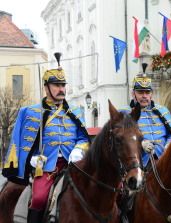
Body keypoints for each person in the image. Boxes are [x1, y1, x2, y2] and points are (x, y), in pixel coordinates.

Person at [2, 53, 90, 222]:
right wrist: (32, 160)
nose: (61, 88)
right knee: (39, 198)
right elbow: (22, 143)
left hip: (75, 165)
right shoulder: (30, 112)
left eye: (63, 85)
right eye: (57, 85)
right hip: (47, 167)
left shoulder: (76, 112)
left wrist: (79, 150)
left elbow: (83, 138)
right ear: (46, 88)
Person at [118, 63, 171, 165]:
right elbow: (120, 140)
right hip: (137, 163)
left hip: (163, 161)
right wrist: (140, 144)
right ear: (133, 94)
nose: (144, 96)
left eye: (147, 92)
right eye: (140, 92)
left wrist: (168, 147)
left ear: (151, 94)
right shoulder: (124, 113)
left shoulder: (163, 111)